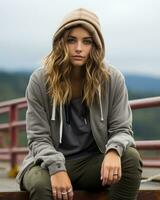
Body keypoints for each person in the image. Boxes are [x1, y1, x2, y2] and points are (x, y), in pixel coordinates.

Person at [16, 8, 142, 200]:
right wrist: (56, 168)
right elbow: (38, 138)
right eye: (71, 40)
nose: (78, 48)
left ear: (96, 45)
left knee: (130, 158)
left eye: (87, 41)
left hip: (90, 164)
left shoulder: (111, 79)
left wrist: (113, 150)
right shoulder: (40, 80)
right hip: (45, 164)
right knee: (42, 186)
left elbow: (122, 128)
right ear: (61, 42)